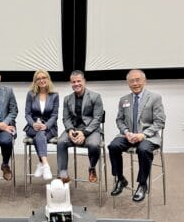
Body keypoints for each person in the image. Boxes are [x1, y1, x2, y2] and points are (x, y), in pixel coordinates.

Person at [108, 69, 166, 202]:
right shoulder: (124, 100)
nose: (135, 83)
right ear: (128, 83)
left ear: (144, 81)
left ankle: (142, 184)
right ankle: (120, 179)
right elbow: (119, 120)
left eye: (138, 80)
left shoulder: (155, 98)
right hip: (128, 136)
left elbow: (160, 122)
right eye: (131, 81)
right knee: (113, 146)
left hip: (147, 136)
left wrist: (143, 135)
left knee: (143, 149)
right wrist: (126, 132)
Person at [57, 70, 104, 183]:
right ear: (71, 83)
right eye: (74, 82)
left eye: (79, 81)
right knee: (61, 142)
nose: (76, 84)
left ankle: (92, 168)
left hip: (91, 130)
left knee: (94, 145)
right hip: (73, 129)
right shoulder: (67, 99)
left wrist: (84, 133)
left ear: (84, 81)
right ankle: (63, 173)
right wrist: (70, 130)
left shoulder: (95, 96)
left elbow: (97, 119)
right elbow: (66, 118)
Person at [24, 69, 59, 180]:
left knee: (39, 135)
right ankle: (46, 165)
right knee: (39, 133)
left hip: (50, 128)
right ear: (35, 81)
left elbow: (54, 115)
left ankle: (41, 163)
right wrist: (33, 124)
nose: (41, 80)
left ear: (48, 79)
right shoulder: (31, 95)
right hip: (33, 126)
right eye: (38, 79)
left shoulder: (54, 95)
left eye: (44, 78)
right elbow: (27, 114)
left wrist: (46, 125)